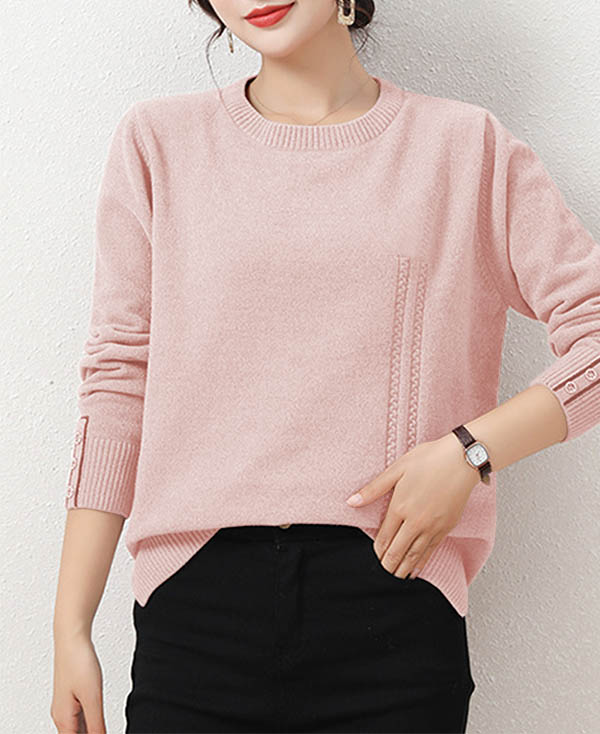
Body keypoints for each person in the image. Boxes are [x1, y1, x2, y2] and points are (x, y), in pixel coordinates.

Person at [51, 1, 600, 732]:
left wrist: (471, 452)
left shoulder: (464, 148)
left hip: (396, 601)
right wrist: (71, 625)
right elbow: (120, 375)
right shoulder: (159, 142)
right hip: (195, 608)